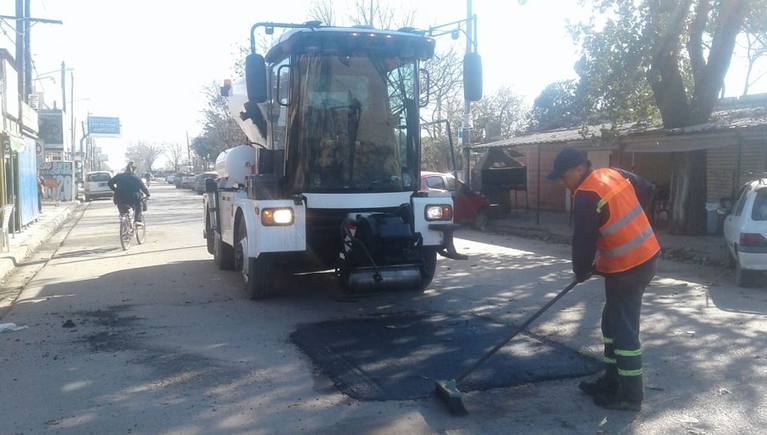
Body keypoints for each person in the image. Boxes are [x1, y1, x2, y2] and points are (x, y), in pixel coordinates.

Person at [547, 148, 660, 412]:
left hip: (630, 267)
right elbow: (647, 188)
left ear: (578, 169)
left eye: (564, 177)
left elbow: (583, 241)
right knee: (611, 324)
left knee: (623, 331)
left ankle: (631, 396)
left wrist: (582, 270)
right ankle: (611, 381)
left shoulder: (587, 195)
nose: (563, 183)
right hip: (639, 259)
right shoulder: (612, 173)